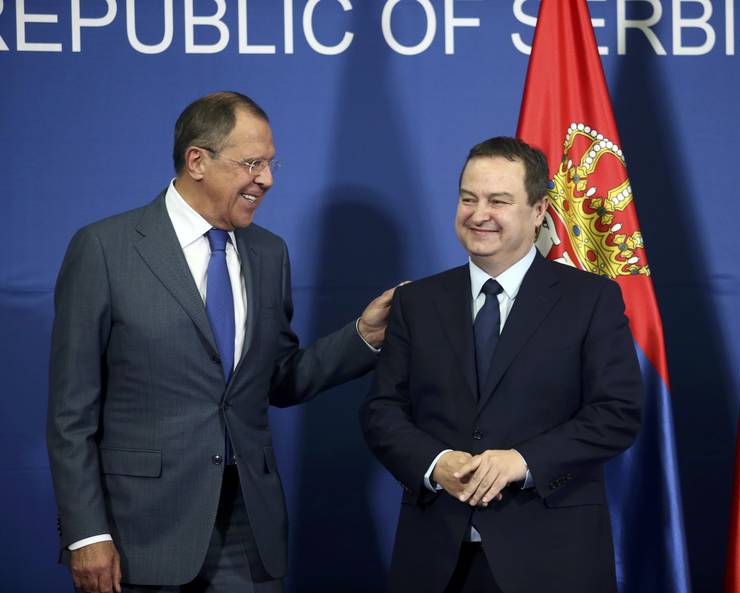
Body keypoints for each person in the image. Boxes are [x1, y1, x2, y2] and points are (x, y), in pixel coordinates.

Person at [47, 91, 395, 593]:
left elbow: (277, 378)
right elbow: (69, 414)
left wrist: (362, 337)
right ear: (197, 162)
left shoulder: (268, 252)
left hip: (246, 527)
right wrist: (86, 534)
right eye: (252, 163)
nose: (267, 180)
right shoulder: (105, 249)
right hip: (139, 534)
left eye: (272, 164)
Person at [360, 136, 644, 593]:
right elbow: (382, 411)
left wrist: (522, 461)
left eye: (498, 200)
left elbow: (617, 413)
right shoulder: (417, 301)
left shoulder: (590, 300)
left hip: (553, 559)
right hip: (435, 559)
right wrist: (435, 464)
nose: (479, 214)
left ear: (538, 212)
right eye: (468, 198)